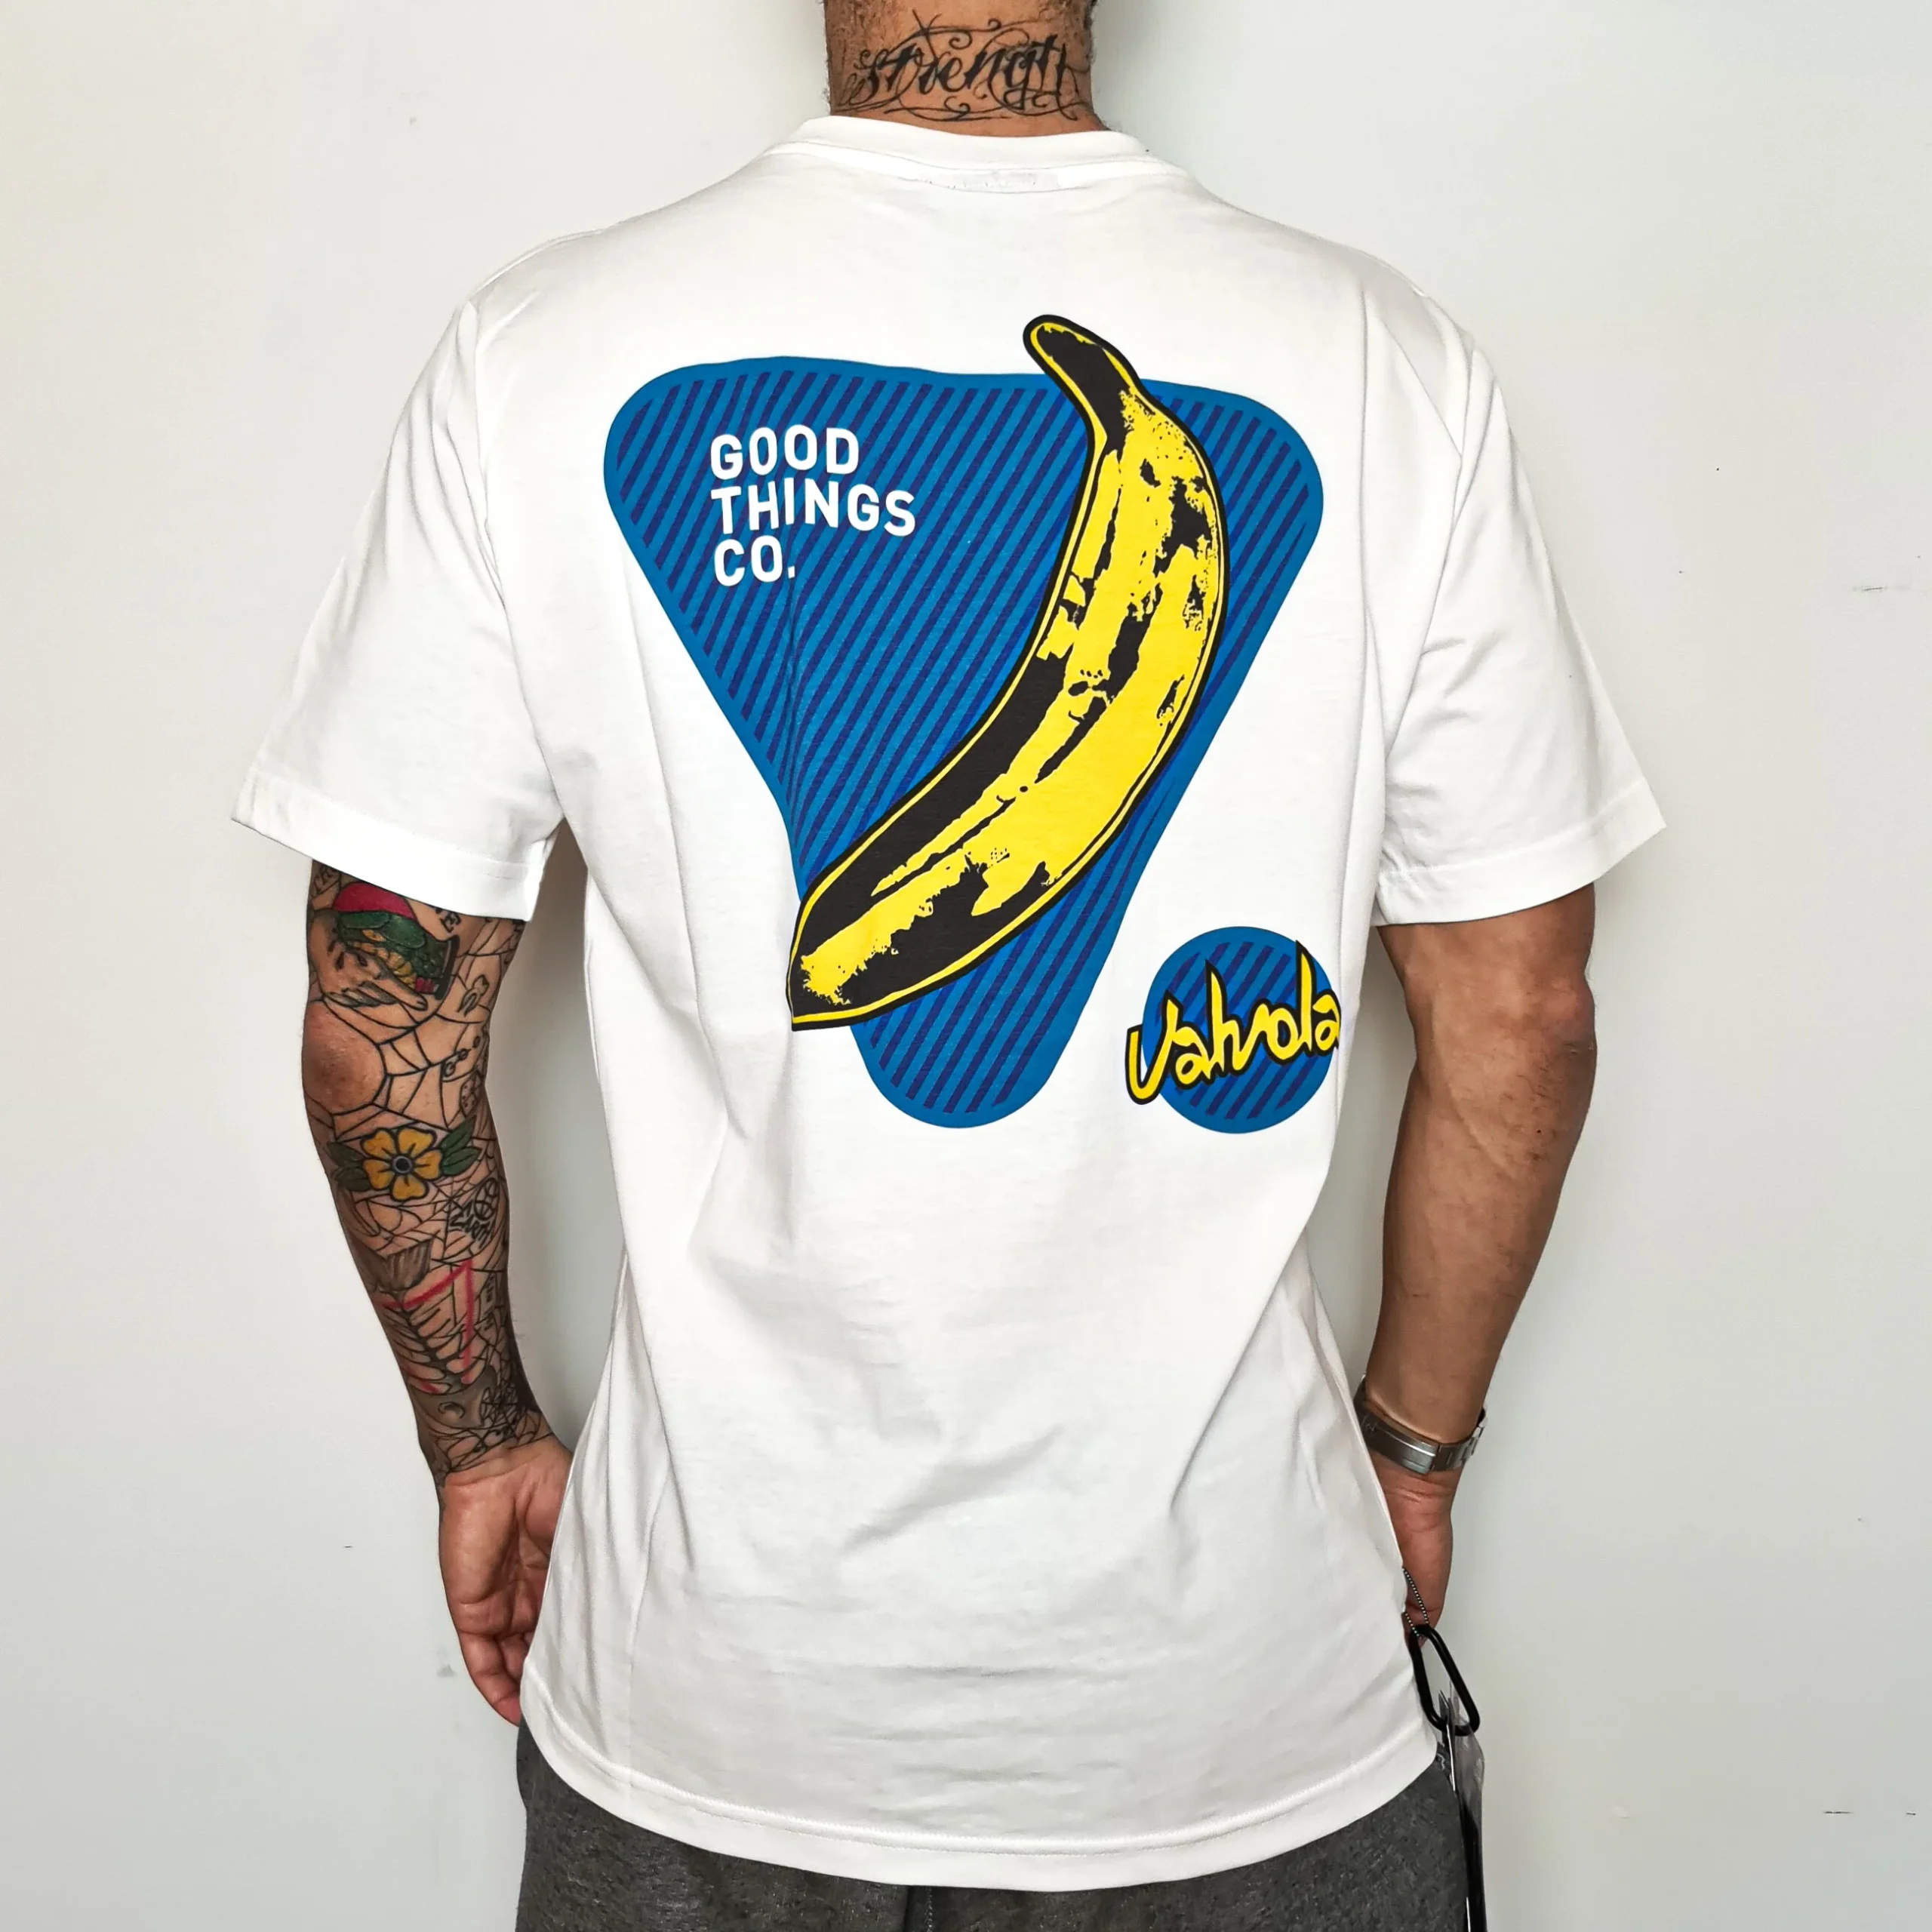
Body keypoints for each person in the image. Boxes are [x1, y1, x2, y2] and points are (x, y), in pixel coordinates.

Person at [237, 3, 1662, 1925]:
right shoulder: (1381, 363)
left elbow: (378, 1024)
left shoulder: (540, 352)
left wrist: (478, 1436)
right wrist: (1406, 1456)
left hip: (709, 1694)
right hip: (1242, 1702)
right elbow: (1520, 1017)